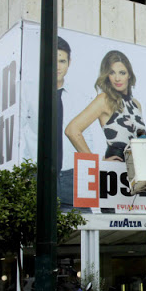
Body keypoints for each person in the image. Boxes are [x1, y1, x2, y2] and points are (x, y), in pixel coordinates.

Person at [66, 50, 145, 162]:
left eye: (122, 73)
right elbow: (72, 130)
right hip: (116, 168)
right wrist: (95, 163)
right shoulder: (105, 99)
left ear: (129, 75)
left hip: (137, 167)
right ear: (107, 76)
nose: (117, 78)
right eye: (112, 73)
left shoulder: (136, 104)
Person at [54, 36, 94, 212]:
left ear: (69, 62)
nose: (57, 66)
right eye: (53, 60)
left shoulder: (81, 97)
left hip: (74, 176)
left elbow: (90, 139)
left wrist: (93, 173)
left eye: (62, 61)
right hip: (39, 176)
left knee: (87, 229)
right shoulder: (29, 94)